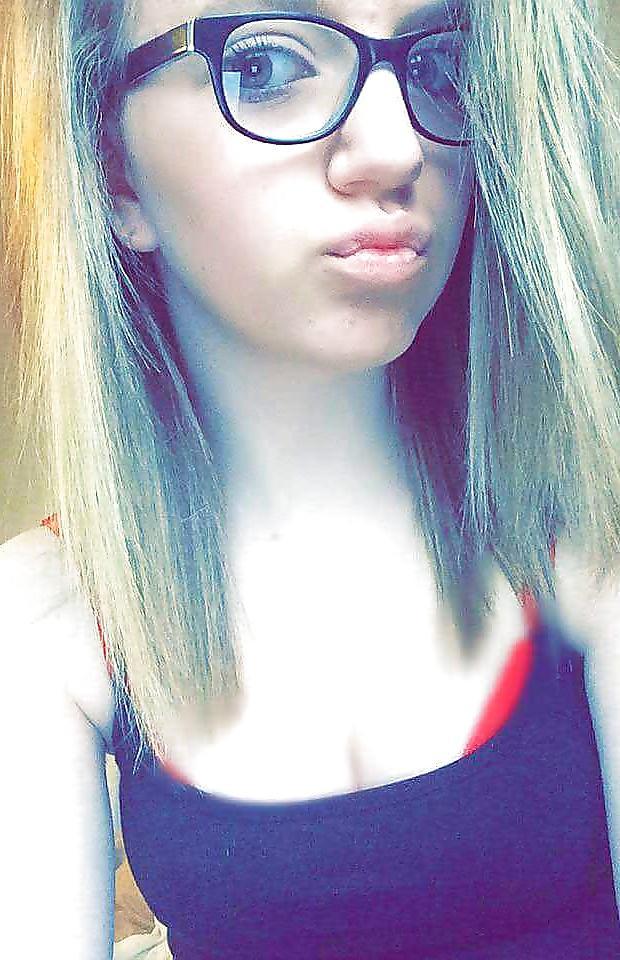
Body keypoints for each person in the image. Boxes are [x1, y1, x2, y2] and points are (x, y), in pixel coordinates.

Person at [1, 0, 619, 956]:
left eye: (441, 68)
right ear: (115, 174)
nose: (398, 146)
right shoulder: (45, 619)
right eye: (263, 67)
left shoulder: (581, 525)